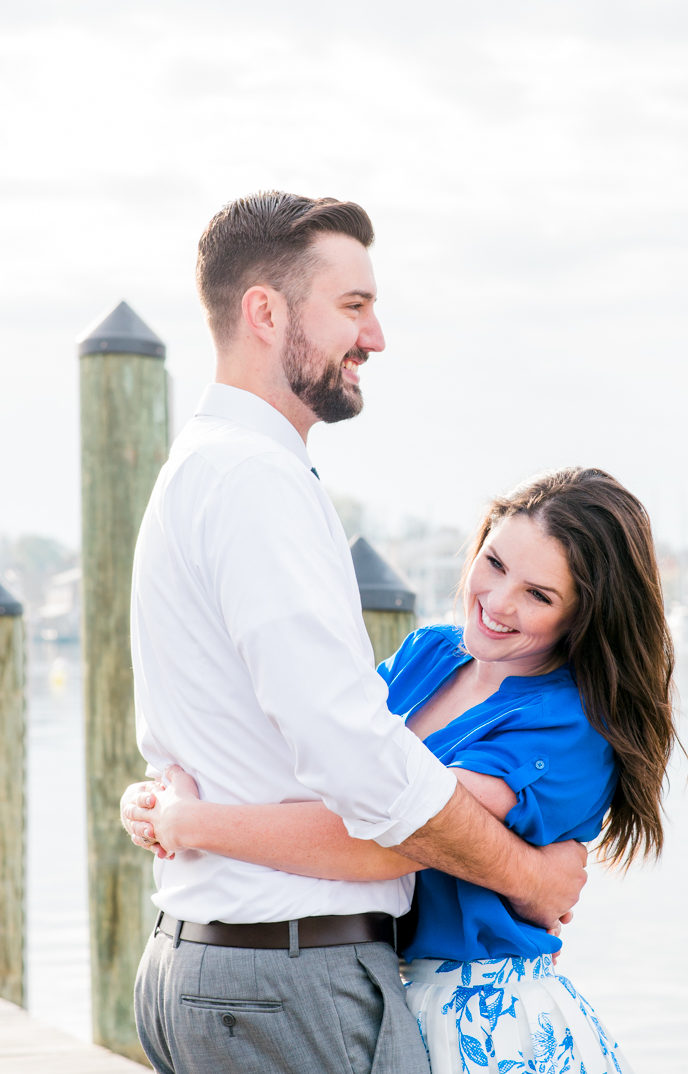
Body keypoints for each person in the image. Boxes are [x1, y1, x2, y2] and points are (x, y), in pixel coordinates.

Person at [124, 190, 589, 1074]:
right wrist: (529, 877)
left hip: (221, 963)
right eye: (353, 307)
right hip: (284, 977)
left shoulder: (205, 471)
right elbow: (358, 762)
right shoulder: (256, 482)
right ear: (265, 312)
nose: (375, 337)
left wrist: (181, 816)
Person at [125, 465, 678, 1074]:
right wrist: (168, 788)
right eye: (494, 564)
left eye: (539, 595)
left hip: (482, 1018)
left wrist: (191, 824)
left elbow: (391, 840)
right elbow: (311, 772)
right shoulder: (429, 654)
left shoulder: (564, 724)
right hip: (377, 987)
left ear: (584, 617)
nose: (497, 602)